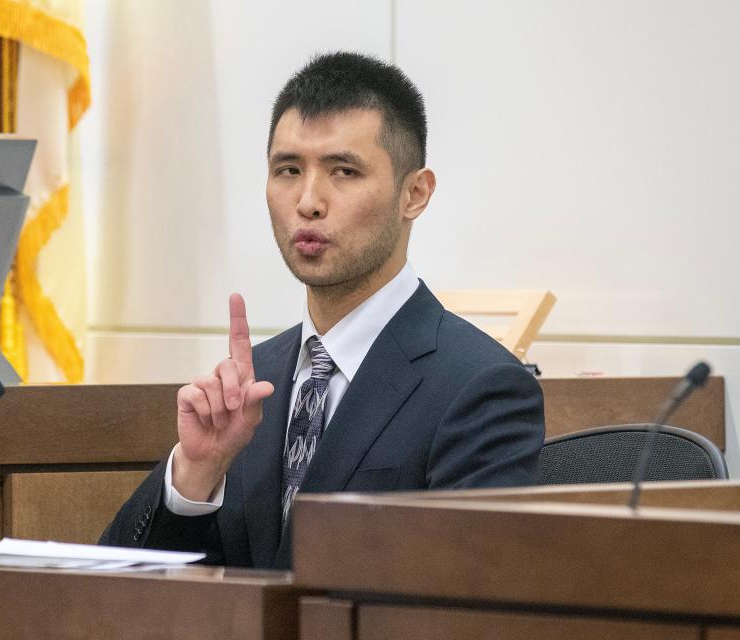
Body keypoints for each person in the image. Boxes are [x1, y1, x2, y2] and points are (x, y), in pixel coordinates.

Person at [100, 51, 545, 569]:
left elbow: (471, 602)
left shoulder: (480, 387)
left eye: (344, 171)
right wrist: (198, 472)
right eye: (287, 169)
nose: (308, 201)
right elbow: (116, 584)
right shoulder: (250, 386)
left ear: (415, 194)